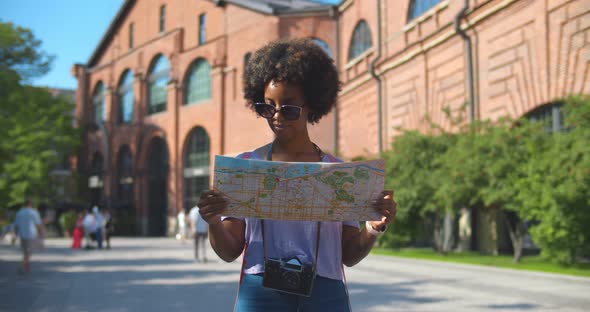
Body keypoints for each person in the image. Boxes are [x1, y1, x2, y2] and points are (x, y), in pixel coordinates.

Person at [198, 38, 397, 311]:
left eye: (289, 107)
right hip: (260, 290)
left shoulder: (340, 174)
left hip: (325, 292)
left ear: (311, 105)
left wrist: (374, 228)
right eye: (267, 107)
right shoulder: (246, 166)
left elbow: (349, 255)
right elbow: (229, 251)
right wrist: (213, 222)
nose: (277, 116)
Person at [13, 199, 44, 274]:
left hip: (22, 234)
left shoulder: (19, 212)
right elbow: (38, 224)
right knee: (29, 252)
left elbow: (16, 225)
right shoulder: (34, 212)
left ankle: (26, 268)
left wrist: (15, 235)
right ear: (30, 204)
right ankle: (21, 266)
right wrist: (41, 233)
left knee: (25, 252)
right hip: (31, 234)